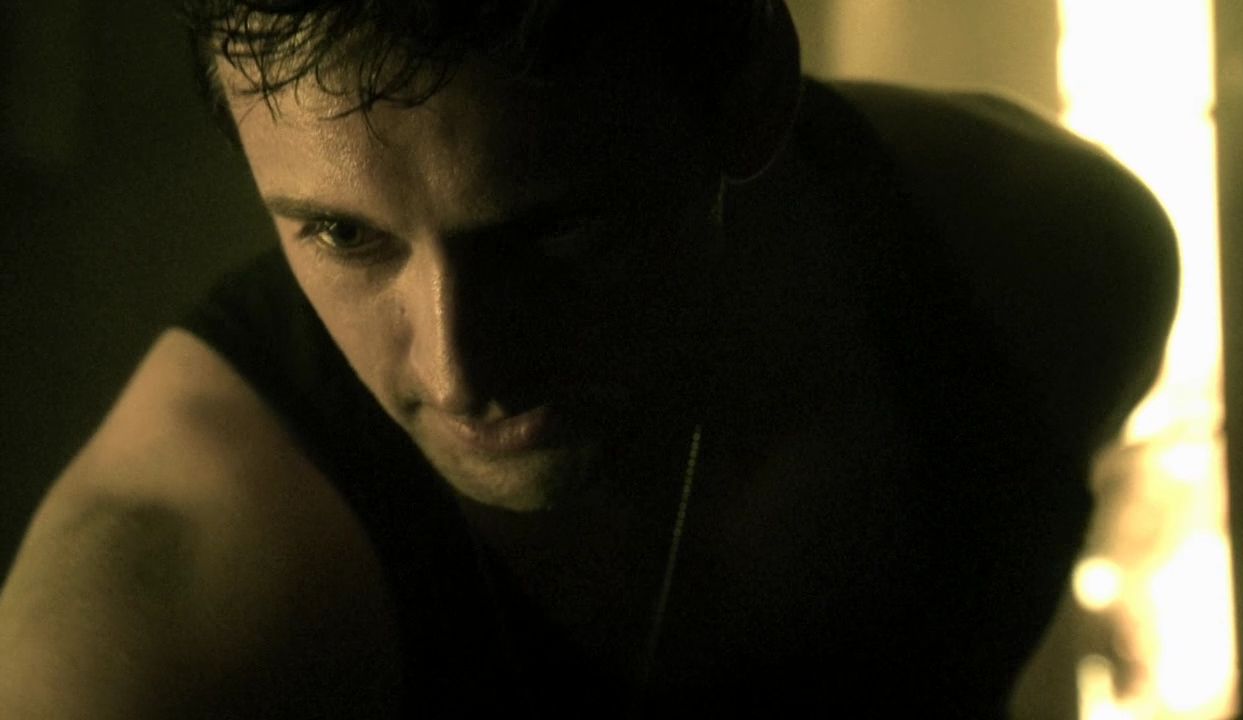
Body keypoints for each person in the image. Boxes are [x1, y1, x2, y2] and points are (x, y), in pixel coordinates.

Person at [0, 1, 1178, 716]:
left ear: (748, 98)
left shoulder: (1046, 265)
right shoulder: (146, 630)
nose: (461, 371)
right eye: (344, 237)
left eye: (552, 229)